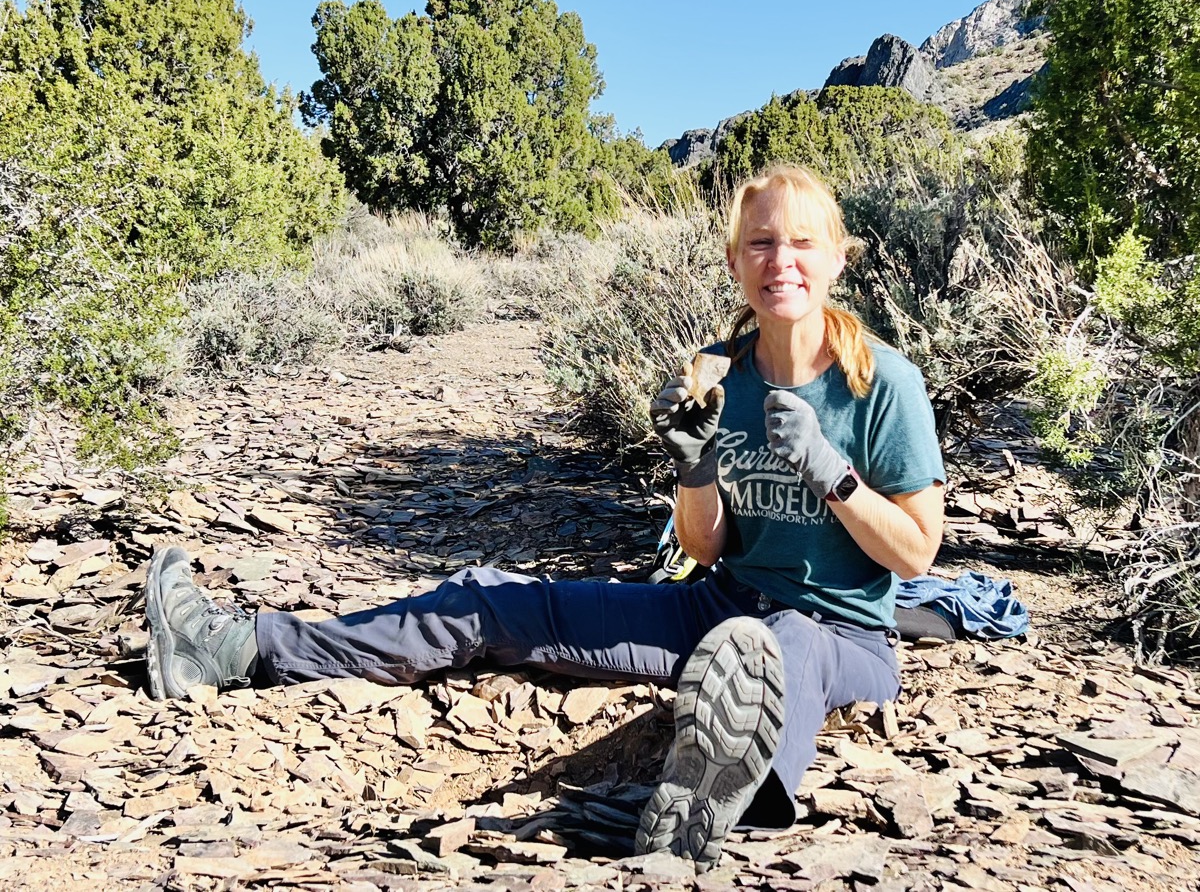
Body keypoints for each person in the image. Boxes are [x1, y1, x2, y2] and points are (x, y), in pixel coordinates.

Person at [143, 164, 945, 873]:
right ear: (736, 262)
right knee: (488, 598)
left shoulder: (884, 384)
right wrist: (694, 464)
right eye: (762, 244)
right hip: (719, 608)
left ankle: (707, 807)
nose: (782, 261)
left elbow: (915, 554)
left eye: (803, 243)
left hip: (843, 636)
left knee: (786, 644)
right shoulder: (719, 378)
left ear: (838, 257)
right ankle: (235, 648)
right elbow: (705, 546)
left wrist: (832, 475)